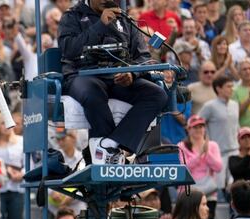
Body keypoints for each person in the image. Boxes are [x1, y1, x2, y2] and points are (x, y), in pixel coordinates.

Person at [59, 0, 168, 165]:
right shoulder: (72, 16)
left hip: (118, 78)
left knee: (157, 94)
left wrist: (131, 73)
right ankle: (105, 156)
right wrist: (100, 26)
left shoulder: (125, 20)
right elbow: (68, 49)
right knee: (91, 93)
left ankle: (110, 145)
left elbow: (144, 58)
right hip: (83, 75)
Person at [179, 115, 222, 219]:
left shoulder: (213, 145)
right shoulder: (181, 146)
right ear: (188, 129)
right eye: (195, 127)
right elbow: (184, 169)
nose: (199, 129)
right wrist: (200, 155)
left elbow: (218, 167)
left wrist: (207, 153)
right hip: (189, 192)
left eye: (201, 126)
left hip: (209, 193)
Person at [198, 76, 239, 165]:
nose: (232, 89)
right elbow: (198, 124)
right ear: (218, 89)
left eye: (232, 86)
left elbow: (237, 126)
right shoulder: (209, 106)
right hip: (218, 152)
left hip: (235, 151)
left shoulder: (235, 105)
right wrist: (205, 142)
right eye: (228, 86)